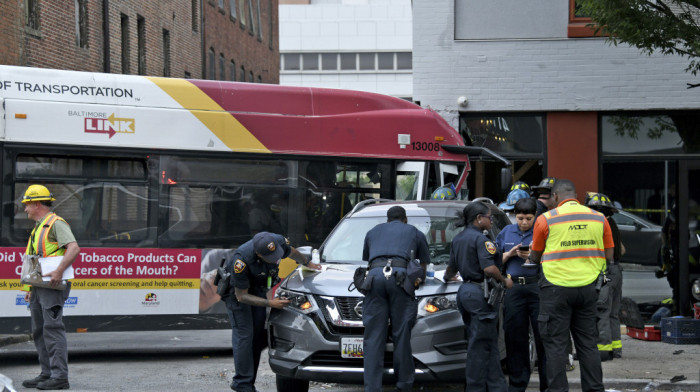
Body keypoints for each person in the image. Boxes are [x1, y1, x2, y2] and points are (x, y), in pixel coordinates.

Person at [525, 179, 614, 392]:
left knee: (555, 346)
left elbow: (535, 256)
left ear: (555, 197)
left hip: (556, 289)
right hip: (589, 289)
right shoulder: (599, 218)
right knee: (588, 344)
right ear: (575, 195)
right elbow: (609, 254)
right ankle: (594, 389)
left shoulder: (546, 219)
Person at [221, 231, 321, 392]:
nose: (276, 259)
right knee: (245, 336)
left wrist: (306, 262)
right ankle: (242, 384)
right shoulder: (241, 262)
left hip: (258, 290)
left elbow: (292, 252)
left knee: (258, 335)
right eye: (271, 256)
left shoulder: (277, 242)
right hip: (238, 295)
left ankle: (246, 381)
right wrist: (270, 303)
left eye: (277, 254)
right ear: (258, 254)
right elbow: (241, 296)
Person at [444, 202, 513, 392]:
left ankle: (497, 387)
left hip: (465, 292)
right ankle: (474, 388)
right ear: (479, 219)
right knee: (478, 346)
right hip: (479, 294)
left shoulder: (458, 239)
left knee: (487, 342)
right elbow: (489, 269)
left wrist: (447, 278)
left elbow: (451, 270)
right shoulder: (482, 240)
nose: (491, 221)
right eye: (489, 217)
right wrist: (505, 280)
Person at [362, 206, 430, 392]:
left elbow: (368, 259)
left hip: (374, 278)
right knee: (401, 334)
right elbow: (422, 265)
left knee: (374, 337)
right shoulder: (414, 232)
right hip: (400, 278)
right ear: (405, 219)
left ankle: (372, 388)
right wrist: (419, 279)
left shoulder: (373, 231)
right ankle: (403, 385)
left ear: (387, 219)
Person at [21, 185, 80, 391]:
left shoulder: (56, 223)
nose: (25, 209)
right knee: (39, 330)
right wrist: (30, 287)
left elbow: (73, 248)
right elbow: (37, 259)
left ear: (37, 204)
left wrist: (58, 271)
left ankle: (59, 377)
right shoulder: (40, 226)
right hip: (40, 286)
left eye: (27, 204)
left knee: (53, 329)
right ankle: (47, 374)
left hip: (52, 285)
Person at [495, 198, 547, 392]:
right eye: (520, 218)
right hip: (514, 288)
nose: (524, 222)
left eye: (528, 218)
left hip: (537, 287)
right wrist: (509, 254)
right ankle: (517, 385)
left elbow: (552, 259)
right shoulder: (506, 232)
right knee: (515, 338)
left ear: (536, 216)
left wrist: (534, 255)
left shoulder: (541, 232)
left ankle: (547, 385)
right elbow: (493, 260)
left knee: (543, 337)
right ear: (514, 216)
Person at [585, 192, 625, 361]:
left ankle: (603, 350)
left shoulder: (599, 225)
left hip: (605, 270)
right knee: (613, 313)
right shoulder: (612, 224)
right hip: (616, 270)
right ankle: (616, 349)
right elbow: (622, 250)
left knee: (601, 311)